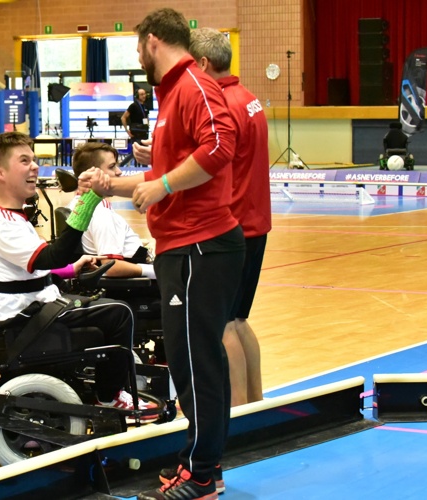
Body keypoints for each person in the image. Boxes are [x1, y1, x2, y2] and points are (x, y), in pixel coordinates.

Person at [81, 9, 244, 500]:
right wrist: (111, 182)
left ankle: (201, 474)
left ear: (153, 42)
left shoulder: (193, 84)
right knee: (190, 363)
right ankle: (201, 467)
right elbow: (159, 180)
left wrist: (166, 183)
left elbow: (220, 148)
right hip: (184, 246)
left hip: (201, 245)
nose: (137, 58)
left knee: (197, 364)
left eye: (136, 49)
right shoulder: (172, 94)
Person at [0, 131, 157, 416]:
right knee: (119, 313)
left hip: (32, 308)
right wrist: (88, 201)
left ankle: (107, 384)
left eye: (34, 160)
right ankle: (109, 398)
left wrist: (72, 269)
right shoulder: (3, 222)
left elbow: (35, 266)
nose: (35, 166)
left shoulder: (2, 212)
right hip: (24, 320)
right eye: (24, 161)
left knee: (106, 310)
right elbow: (53, 256)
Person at [190, 27, 270, 409]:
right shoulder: (250, 98)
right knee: (238, 320)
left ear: (203, 63)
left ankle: (236, 412)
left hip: (232, 226)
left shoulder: (221, 106)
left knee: (222, 326)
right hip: (256, 223)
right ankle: (256, 400)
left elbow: (208, 166)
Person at [69, 142, 154, 279]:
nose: (119, 172)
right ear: (93, 173)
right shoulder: (100, 213)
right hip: (134, 285)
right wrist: (156, 271)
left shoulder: (75, 203)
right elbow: (111, 267)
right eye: (112, 166)